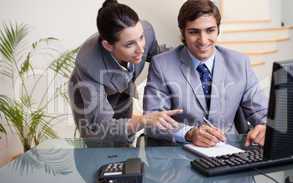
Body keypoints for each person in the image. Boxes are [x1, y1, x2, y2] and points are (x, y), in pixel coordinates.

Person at [143, 0, 268, 147]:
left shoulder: (239, 63)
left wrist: (264, 126)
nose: (203, 41)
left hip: (229, 152)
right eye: (194, 32)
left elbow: (262, 112)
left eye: (210, 30)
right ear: (182, 32)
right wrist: (189, 133)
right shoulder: (161, 65)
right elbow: (151, 121)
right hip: (181, 155)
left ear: (218, 29)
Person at [69, 0, 182, 146]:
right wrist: (144, 120)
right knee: (100, 141)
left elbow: (159, 55)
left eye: (141, 38)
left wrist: (188, 50)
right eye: (129, 45)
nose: (140, 49)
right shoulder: (88, 64)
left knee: (125, 141)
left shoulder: (145, 31)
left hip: (123, 89)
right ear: (108, 46)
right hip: (90, 93)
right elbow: (101, 125)